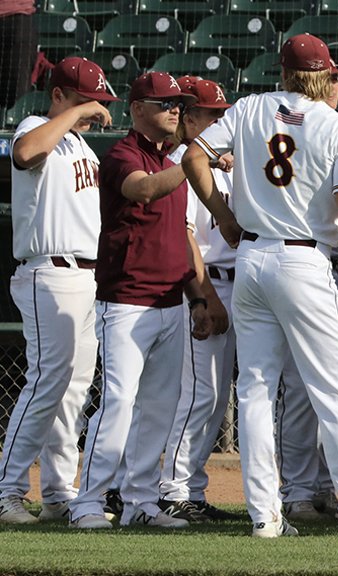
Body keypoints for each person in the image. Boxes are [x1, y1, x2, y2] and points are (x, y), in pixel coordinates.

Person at [182, 33, 338, 539]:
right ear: (324, 77)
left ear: (285, 72)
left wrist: (223, 215)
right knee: (335, 393)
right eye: (334, 75)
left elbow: (191, 160)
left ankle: (265, 517)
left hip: (251, 257)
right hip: (304, 260)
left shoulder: (248, 108)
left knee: (257, 390)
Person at [68, 71, 214, 530]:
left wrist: (197, 298)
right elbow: (142, 189)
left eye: (178, 103)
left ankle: (141, 504)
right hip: (127, 301)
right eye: (164, 103)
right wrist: (198, 159)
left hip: (171, 300)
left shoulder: (173, 160)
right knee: (118, 403)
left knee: (157, 409)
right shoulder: (122, 154)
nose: (175, 109)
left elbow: (179, 239)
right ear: (136, 109)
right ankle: (88, 503)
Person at [0, 57, 116, 525]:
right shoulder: (37, 124)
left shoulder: (81, 146)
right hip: (48, 271)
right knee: (48, 380)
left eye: (99, 101)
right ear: (58, 96)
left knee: (73, 389)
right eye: (86, 98)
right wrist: (73, 114)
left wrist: (77, 118)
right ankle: (6, 491)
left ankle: (58, 491)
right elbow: (24, 153)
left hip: (86, 277)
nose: (95, 109)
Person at [158, 78, 242, 523]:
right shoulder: (180, 164)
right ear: (188, 119)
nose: (221, 121)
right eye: (212, 114)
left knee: (212, 394)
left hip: (235, 283)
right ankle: (174, 491)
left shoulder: (221, 162)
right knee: (200, 393)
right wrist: (205, 296)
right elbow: (185, 235)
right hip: (204, 285)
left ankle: (190, 489)